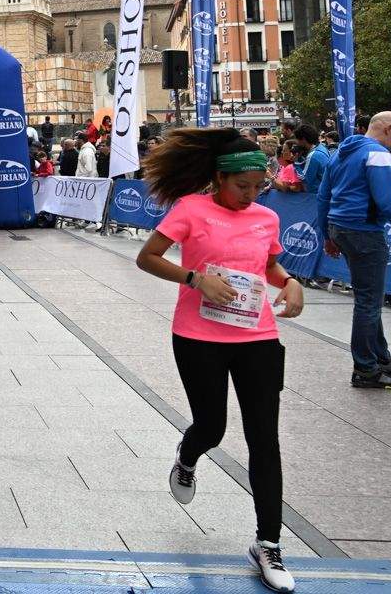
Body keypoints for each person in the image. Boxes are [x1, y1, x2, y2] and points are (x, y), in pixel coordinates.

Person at [135, 129, 304, 594]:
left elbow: (268, 265)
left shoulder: (266, 217)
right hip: (198, 336)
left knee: (264, 439)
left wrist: (290, 281)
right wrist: (195, 279)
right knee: (212, 427)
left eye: (258, 186)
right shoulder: (191, 209)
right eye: (242, 186)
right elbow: (147, 258)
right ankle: (188, 455)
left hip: (258, 336)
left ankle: (268, 543)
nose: (251, 195)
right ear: (219, 178)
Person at [317, 111, 391, 388]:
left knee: (368, 297)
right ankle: (365, 368)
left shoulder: (340, 153)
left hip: (340, 227)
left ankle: (380, 357)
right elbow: (388, 203)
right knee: (368, 302)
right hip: (365, 231)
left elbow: (323, 196)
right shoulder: (378, 154)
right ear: (387, 128)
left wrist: (327, 235)